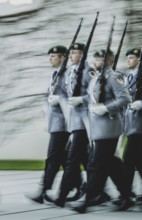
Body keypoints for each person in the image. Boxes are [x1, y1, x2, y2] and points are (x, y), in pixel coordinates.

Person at [73, 49, 134, 213]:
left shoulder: (113, 77)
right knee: (111, 164)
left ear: (109, 61)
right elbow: (91, 98)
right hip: (96, 127)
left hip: (109, 127)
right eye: (96, 58)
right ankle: (127, 196)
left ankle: (89, 199)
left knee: (95, 164)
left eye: (101, 59)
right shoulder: (96, 78)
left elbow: (125, 99)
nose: (97, 61)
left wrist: (106, 108)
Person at [28, 45, 71, 204]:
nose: (50, 59)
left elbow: (69, 98)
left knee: (53, 157)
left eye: (53, 56)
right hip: (55, 123)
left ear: (62, 58)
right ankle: (79, 186)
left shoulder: (67, 75)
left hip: (63, 124)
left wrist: (59, 100)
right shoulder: (56, 74)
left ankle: (43, 189)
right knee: (63, 158)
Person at [54, 42, 91, 207]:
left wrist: (82, 99)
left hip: (87, 122)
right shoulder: (68, 72)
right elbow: (61, 91)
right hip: (74, 122)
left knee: (72, 158)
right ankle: (99, 191)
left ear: (82, 55)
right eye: (70, 53)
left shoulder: (89, 72)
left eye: (75, 53)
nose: (70, 56)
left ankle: (62, 195)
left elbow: (99, 95)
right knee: (87, 158)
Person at [122, 48, 142, 200]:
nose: (128, 60)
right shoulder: (128, 76)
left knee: (129, 159)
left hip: (141, 123)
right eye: (127, 57)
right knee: (140, 161)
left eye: (131, 57)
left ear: (139, 60)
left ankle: (125, 193)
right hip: (131, 122)